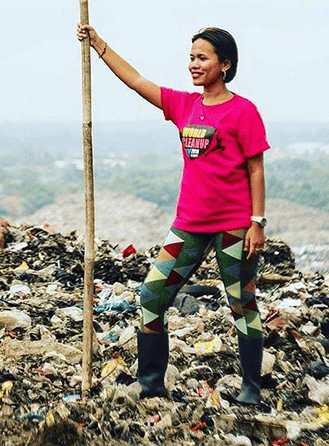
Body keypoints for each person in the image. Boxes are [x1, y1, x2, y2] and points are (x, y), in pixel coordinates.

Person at [77, 23, 269, 405]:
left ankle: (251, 386)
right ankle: (151, 385)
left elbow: (256, 169)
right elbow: (135, 80)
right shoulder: (185, 105)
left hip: (234, 226)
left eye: (203, 58)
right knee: (151, 296)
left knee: (241, 303)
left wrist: (257, 223)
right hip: (190, 226)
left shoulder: (243, 111)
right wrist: (98, 43)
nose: (194, 64)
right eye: (192, 57)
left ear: (225, 65)